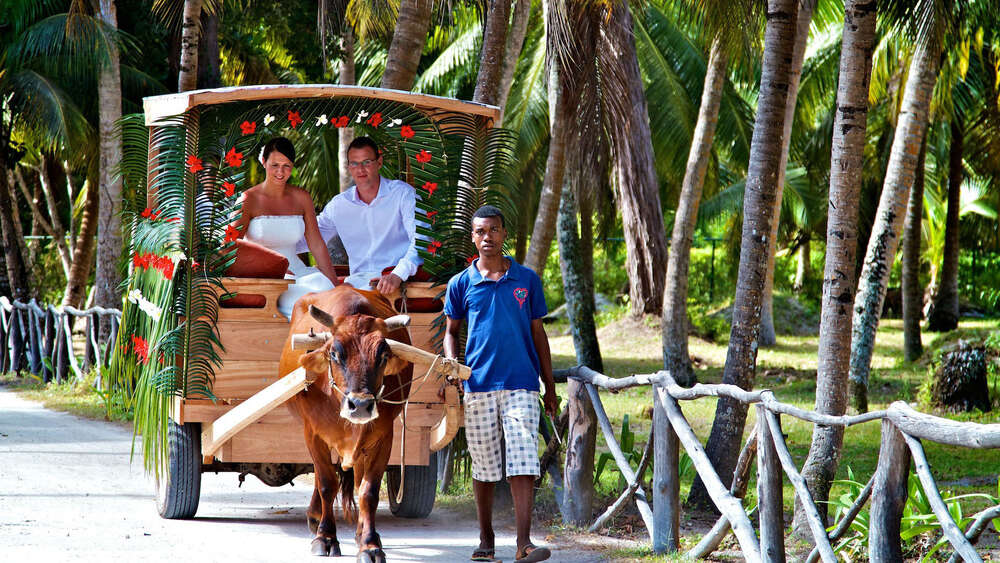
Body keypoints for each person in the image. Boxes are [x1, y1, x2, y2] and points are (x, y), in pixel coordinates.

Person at [443, 205, 557, 563]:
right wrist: (453, 366)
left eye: (493, 230)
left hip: (522, 383)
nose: (487, 237)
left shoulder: (526, 279)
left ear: (504, 234)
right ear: (473, 237)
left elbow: (539, 333)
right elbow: (451, 332)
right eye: (480, 231)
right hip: (477, 385)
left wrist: (549, 385)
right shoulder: (461, 283)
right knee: (485, 467)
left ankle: (524, 543)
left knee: (523, 461)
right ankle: (486, 538)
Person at [231, 136, 339, 318]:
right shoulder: (248, 199)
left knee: (324, 287)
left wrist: (335, 283)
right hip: (265, 277)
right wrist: (268, 266)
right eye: (275, 165)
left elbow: (317, 244)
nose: (280, 172)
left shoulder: (302, 197)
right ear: (263, 162)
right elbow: (232, 244)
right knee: (302, 301)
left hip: (298, 270)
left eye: (286, 166)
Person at [306, 136, 423, 295]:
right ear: (349, 167)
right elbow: (311, 235)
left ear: (379, 162)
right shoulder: (339, 205)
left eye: (367, 162)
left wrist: (397, 274)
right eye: (354, 163)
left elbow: (421, 240)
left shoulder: (403, 194)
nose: (360, 169)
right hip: (356, 284)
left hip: (397, 283)